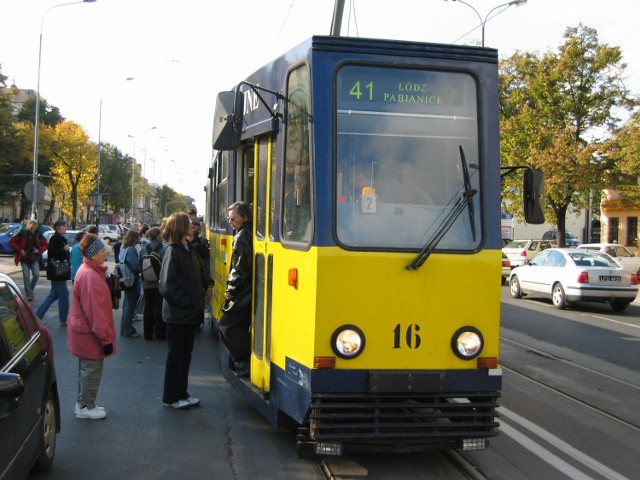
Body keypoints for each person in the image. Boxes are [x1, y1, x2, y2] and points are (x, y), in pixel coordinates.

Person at [159, 212, 213, 409]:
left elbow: (200, 271)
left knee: (184, 355)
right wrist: (189, 302)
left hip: (188, 314)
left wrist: (208, 284)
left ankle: (181, 393)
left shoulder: (188, 248)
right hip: (179, 315)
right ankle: (172, 397)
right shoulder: (173, 251)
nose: (194, 226)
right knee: (177, 356)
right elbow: (166, 287)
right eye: (190, 224)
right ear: (181, 227)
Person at [67, 234, 116, 420]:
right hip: (90, 334)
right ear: (94, 253)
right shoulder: (91, 276)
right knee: (91, 370)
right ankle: (86, 406)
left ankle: (84, 403)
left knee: (87, 369)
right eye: (102, 250)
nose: (105, 253)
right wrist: (105, 338)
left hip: (84, 331)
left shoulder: (87, 270)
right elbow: (96, 312)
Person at [218, 202, 252, 375]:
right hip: (248, 288)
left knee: (226, 325)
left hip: (244, 290)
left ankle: (245, 359)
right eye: (229, 219)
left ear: (245, 217)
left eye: (234, 218)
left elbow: (240, 267)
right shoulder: (247, 232)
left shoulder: (242, 237)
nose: (231, 222)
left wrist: (232, 289)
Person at [36, 219, 71, 325]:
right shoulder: (55, 238)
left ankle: (37, 315)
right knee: (64, 295)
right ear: (58, 228)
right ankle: (64, 319)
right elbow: (53, 253)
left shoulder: (60, 238)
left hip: (58, 271)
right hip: (57, 271)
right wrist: (64, 250)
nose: (65, 228)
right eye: (64, 226)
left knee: (54, 294)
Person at [138, 227, 166, 341]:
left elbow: (139, 266)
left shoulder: (143, 249)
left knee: (148, 308)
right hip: (159, 283)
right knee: (159, 307)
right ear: (158, 236)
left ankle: (147, 334)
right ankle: (160, 334)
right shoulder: (163, 249)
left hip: (147, 283)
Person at [9, 220, 48, 301]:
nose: (33, 230)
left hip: (34, 258)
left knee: (36, 275)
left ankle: (30, 290)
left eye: (34, 228)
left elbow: (45, 245)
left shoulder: (38, 234)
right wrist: (20, 250)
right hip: (24, 259)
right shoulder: (22, 233)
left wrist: (39, 250)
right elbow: (11, 242)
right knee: (26, 277)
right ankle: (29, 294)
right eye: (31, 228)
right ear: (28, 227)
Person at [119, 230, 141, 338]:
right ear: (134, 239)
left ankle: (124, 328)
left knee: (127, 305)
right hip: (132, 280)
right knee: (130, 305)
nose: (139, 239)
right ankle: (128, 329)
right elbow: (135, 266)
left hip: (126, 279)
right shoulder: (132, 249)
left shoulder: (124, 247)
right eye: (138, 237)